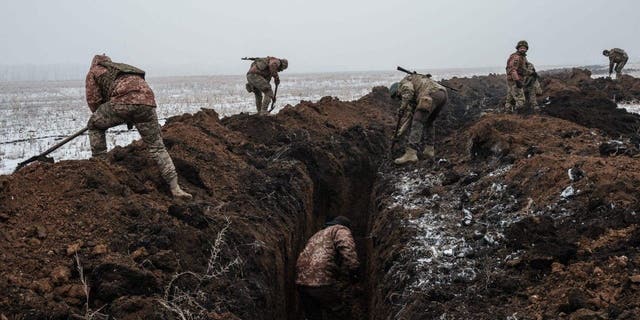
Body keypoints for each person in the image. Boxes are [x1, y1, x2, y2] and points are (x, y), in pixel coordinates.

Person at [85, 54, 192, 199]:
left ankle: (101, 168)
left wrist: (101, 116)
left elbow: (94, 100)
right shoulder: (121, 69)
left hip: (122, 102)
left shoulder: (95, 71)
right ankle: (175, 188)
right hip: (147, 103)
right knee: (157, 147)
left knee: (94, 126)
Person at [296, 216, 359, 320]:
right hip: (320, 281)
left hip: (301, 281)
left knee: (313, 316)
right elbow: (347, 248)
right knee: (340, 312)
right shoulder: (340, 230)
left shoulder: (317, 235)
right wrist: (354, 270)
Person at [390, 73, 448, 165]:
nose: (400, 99)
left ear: (397, 91)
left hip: (430, 93)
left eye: (398, 97)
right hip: (442, 95)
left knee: (417, 121)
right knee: (429, 121)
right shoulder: (415, 94)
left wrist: (402, 108)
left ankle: (411, 153)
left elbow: (408, 91)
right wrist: (400, 132)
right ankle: (429, 149)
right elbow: (410, 117)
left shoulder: (403, 84)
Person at [505, 40, 530, 112]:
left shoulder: (522, 57)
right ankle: (519, 113)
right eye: (521, 48)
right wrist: (517, 81)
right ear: (518, 48)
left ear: (526, 49)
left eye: (524, 48)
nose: (523, 49)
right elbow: (513, 69)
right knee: (520, 98)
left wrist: (531, 73)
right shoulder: (516, 57)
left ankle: (508, 112)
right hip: (514, 80)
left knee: (509, 98)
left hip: (513, 80)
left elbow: (523, 69)